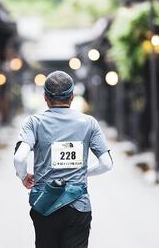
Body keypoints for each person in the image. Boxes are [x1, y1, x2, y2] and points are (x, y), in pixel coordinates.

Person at [14, 71, 113, 248]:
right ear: (72, 97)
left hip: (45, 203)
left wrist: (23, 176)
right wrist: (84, 172)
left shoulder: (34, 123)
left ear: (45, 97)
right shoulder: (89, 123)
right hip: (78, 205)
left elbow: (20, 158)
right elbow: (106, 164)